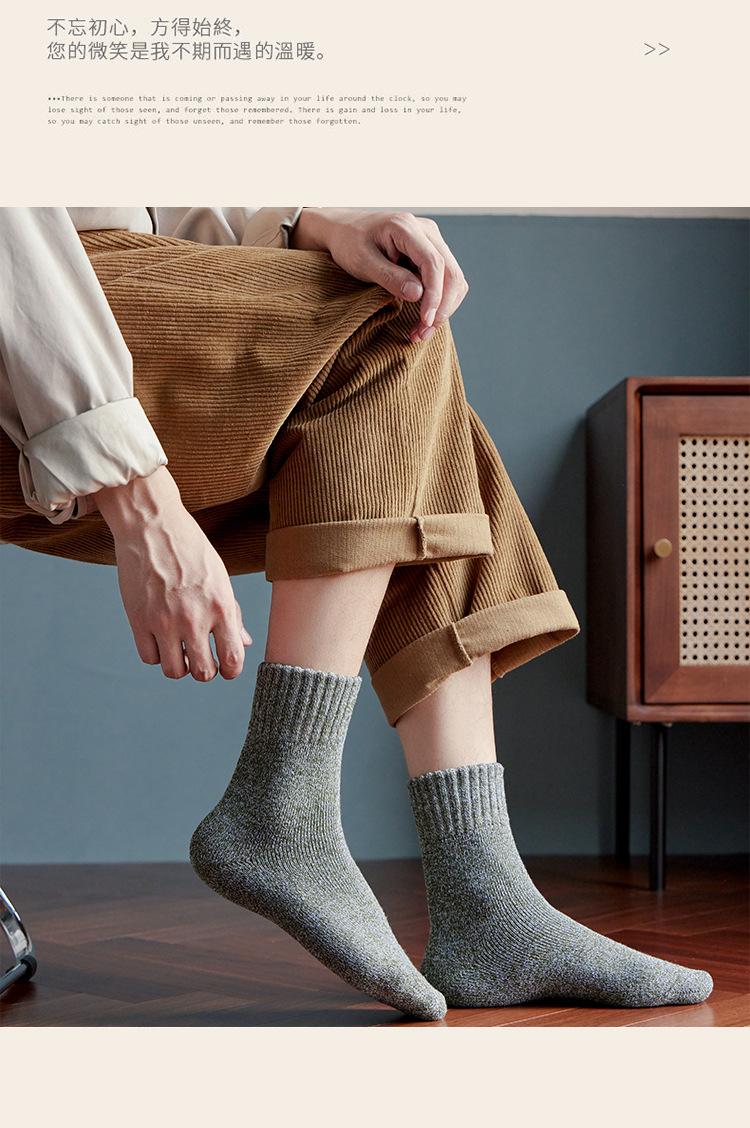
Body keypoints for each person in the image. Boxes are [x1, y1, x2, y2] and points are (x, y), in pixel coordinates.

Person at [0, 206, 713, 1019]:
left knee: (415, 403)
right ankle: (288, 800)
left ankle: (485, 898)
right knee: (383, 328)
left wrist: (309, 223)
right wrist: (142, 505)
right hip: (33, 320)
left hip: (90, 294)